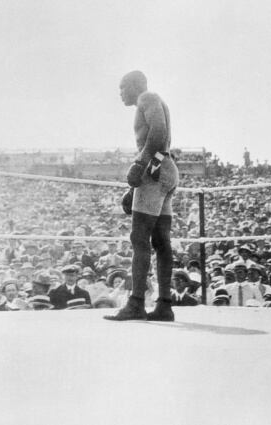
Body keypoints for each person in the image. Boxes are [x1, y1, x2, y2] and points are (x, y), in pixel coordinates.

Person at [106, 71, 178, 321]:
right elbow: (162, 141)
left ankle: (136, 302)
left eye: (122, 87)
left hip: (156, 168)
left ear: (135, 85)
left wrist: (139, 163)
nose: (121, 93)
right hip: (164, 167)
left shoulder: (146, 97)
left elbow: (158, 131)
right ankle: (164, 305)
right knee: (161, 241)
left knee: (139, 237)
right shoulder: (154, 101)